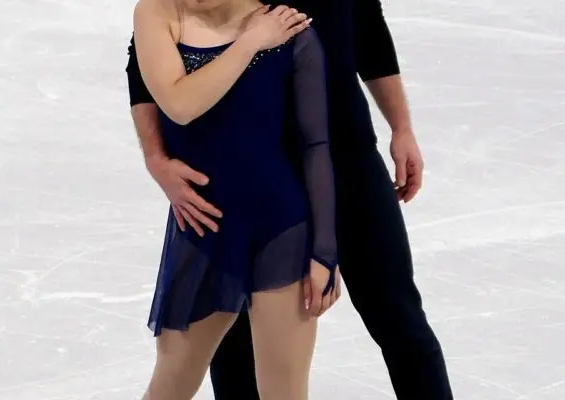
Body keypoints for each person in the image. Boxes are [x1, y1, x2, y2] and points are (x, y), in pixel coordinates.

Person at [127, 0, 454, 399]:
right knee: (232, 343)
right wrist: (156, 157)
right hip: (244, 172)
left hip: (343, 156)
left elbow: (367, 27)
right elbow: (143, 60)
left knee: (396, 312)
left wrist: (401, 126)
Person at [133, 0, 339, 399]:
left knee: (285, 392)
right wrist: (249, 43)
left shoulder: (293, 35)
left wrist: (325, 252)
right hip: (202, 227)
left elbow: (315, 146)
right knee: (171, 383)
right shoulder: (158, 12)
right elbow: (180, 106)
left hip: (279, 228)